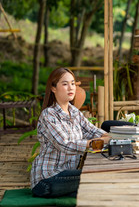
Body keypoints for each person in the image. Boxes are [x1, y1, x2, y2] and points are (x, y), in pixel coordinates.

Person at [31, 67, 111, 198]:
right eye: (65, 84)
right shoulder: (48, 115)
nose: (71, 88)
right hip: (46, 179)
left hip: (66, 175)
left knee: (93, 192)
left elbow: (92, 130)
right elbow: (64, 145)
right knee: (97, 178)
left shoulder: (74, 112)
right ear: (53, 88)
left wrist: (113, 136)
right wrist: (95, 143)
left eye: (73, 83)